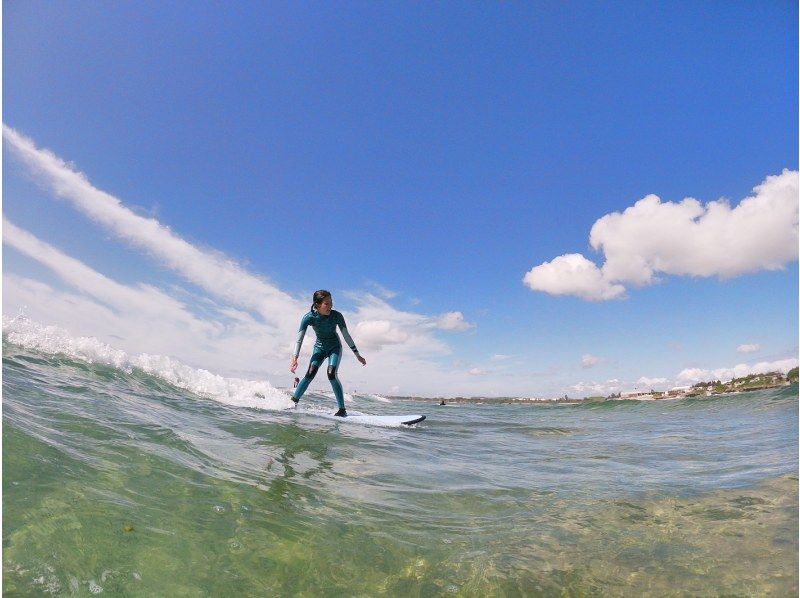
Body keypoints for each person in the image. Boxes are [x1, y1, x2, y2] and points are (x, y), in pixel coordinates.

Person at [289, 290, 366, 416]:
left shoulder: (336, 316)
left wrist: (357, 354)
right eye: (327, 303)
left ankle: (342, 409)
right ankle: (293, 402)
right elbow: (299, 339)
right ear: (317, 305)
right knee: (310, 373)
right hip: (319, 348)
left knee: (331, 374)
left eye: (331, 303)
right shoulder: (308, 318)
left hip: (334, 347)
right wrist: (295, 358)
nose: (331, 306)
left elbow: (346, 336)